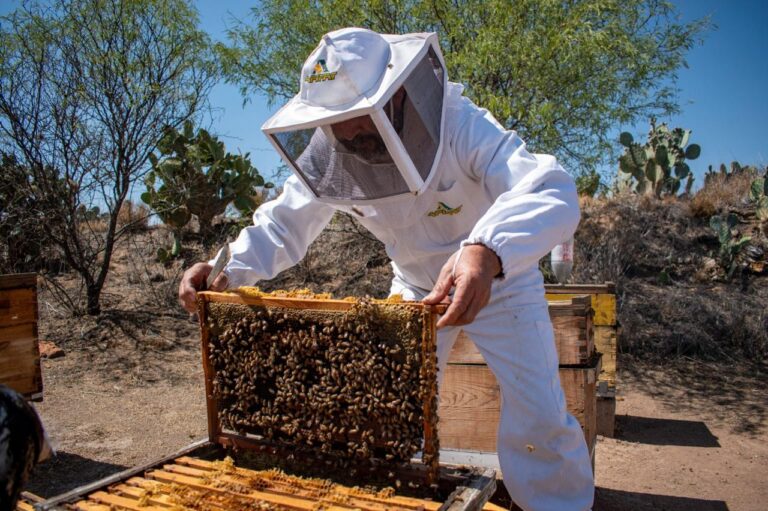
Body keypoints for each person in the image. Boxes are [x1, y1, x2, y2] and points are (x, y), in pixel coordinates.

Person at [179, 27, 593, 510]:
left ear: (397, 97)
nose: (352, 136)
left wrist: (487, 248)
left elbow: (552, 189)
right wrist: (226, 266)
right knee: (391, 414)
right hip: (416, 287)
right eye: (340, 125)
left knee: (538, 415)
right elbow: (283, 223)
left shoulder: (461, 125)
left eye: (361, 121)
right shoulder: (332, 147)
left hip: (500, 280)